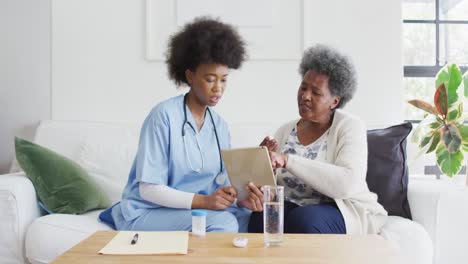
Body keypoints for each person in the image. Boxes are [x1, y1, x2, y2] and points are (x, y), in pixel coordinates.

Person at [100, 17, 256, 233]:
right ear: (190, 76)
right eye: (210, 79)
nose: (218, 88)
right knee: (224, 223)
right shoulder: (163, 116)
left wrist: (240, 200)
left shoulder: (219, 126)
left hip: (195, 212)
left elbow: (220, 189)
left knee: (253, 220)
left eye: (224, 80)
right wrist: (205, 202)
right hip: (148, 211)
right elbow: (149, 190)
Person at [247, 45, 388, 235]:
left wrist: (288, 160)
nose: (305, 96)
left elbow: (346, 184)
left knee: (304, 219)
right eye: (303, 87)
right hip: (294, 206)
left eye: (316, 92)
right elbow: (273, 191)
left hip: (342, 209)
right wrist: (264, 165)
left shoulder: (350, 126)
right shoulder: (285, 130)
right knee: (262, 215)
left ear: (335, 101)